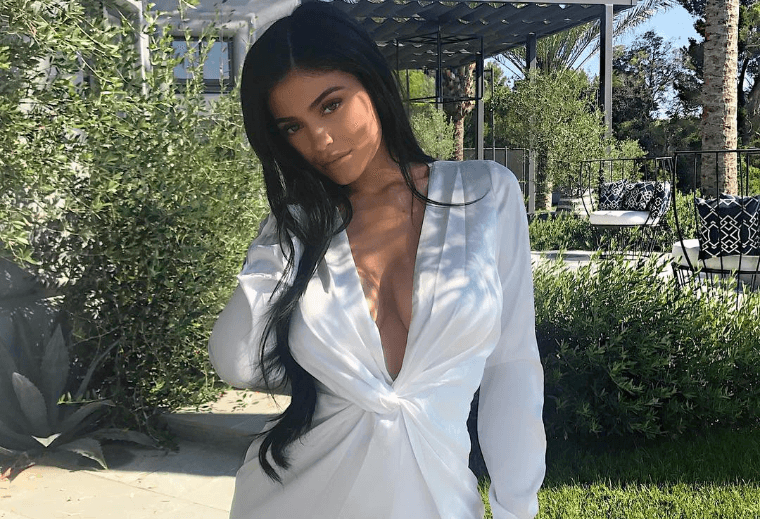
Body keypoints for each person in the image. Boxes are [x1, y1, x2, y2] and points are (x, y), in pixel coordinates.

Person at [208, 1, 546, 518]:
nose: (319, 140)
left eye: (330, 105)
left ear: (372, 83)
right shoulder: (301, 228)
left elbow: (513, 365)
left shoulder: (484, 195)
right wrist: (282, 229)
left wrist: (517, 508)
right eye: (291, 127)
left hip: (440, 500)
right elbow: (235, 360)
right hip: (294, 500)